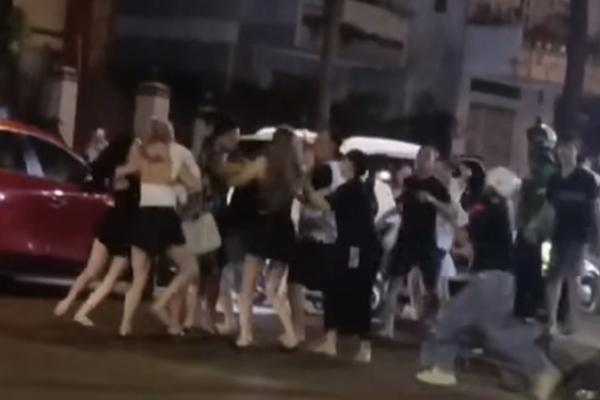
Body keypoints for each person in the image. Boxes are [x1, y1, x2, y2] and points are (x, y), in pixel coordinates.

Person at [417, 167, 561, 400]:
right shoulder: (502, 209)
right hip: (500, 280)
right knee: (495, 334)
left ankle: (443, 368)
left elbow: (463, 234)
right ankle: (541, 371)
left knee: (452, 320)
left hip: (490, 280)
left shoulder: (487, 209)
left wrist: (447, 203)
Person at [117, 118, 202, 337]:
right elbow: (196, 185)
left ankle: (125, 326)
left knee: (139, 277)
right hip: (165, 217)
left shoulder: (141, 154)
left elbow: (124, 172)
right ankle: (161, 302)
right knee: (190, 268)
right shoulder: (172, 156)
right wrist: (177, 183)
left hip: (144, 216)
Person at [53, 136, 139, 322]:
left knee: (105, 274)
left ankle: (77, 308)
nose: (140, 148)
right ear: (126, 150)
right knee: (97, 272)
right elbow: (138, 169)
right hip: (118, 225)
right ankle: (72, 304)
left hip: (121, 226)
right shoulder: (124, 170)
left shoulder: (129, 170)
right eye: (136, 145)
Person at [306, 150, 381, 363]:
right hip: (361, 248)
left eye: (345, 160)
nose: (341, 163)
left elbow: (322, 204)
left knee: (347, 291)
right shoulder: (362, 188)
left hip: (354, 249)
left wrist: (306, 184)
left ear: (352, 165)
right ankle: (334, 341)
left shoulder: (349, 189)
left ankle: (357, 345)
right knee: (345, 291)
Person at [233, 127, 304, 349]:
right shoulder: (296, 171)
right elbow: (305, 196)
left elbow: (238, 181)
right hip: (284, 229)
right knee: (273, 289)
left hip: (263, 227)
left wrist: (238, 168)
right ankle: (291, 336)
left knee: (247, 289)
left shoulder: (263, 163)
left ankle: (245, 336)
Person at [381, 146, 452, 332]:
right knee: (394, 282)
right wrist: (384, 217)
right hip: (405, 237)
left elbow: (450, 212)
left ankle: (431, 325)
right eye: (421, 157)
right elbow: (401, 204)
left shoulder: (437, 186)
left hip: (426, 240)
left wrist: (431, 200)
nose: (423, 161)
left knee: (431, 287)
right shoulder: (409, 181)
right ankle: (387, 327)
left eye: (428, 158)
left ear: (433, 162)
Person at [545, 138, 598, 336]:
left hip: (578, 235)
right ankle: (552, 322)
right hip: (557, 234)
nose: (564, 152)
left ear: (576, 151)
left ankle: (573, 322)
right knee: (553, 278)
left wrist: (594, 235)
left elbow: (593, 208)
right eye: (561, 148)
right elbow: (549, 208)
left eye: (568, 148)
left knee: (573, 278)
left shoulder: (587, 179)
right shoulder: (554, 179)